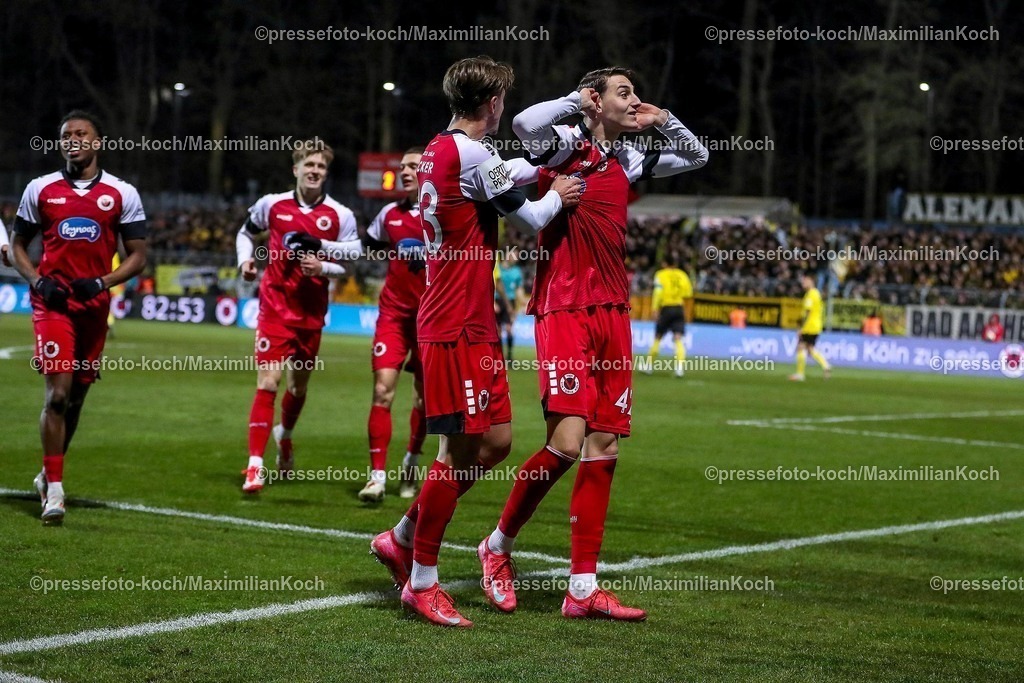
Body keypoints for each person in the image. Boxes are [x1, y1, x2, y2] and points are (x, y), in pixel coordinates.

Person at [477, 67, 708, 621]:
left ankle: (582, 589)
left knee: (604, 448)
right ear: (594, 100)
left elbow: (697, 155)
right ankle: (497, 547)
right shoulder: (562, 146)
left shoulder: (628, 159)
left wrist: (663, 119)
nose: (634, 100)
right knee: (564, 444)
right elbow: (526, 123)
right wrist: (574, 102)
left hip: (614, 314)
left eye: (635, 91)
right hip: (564, 310)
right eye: (623, 92)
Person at [365, 55, 581, 628]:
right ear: (494, 104)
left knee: (498, 442)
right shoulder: (473, 154)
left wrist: (535, 171)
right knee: (458, 453)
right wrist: (559, 189)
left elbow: (498, 175)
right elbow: (533, 218)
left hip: (473, 322)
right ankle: (422, 583)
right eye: (504, 99)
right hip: (452, 323)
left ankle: (403, 535)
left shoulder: (441, 147)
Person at [10, 110, 148, 524]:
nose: (73, 139)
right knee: (56, 394)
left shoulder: (122, 193)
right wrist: (36, 281)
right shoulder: (40, 189)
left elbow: (138, 255)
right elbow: (18, 246)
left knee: (76, 398)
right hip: (52, 305)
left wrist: (103, 282)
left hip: (94, 306)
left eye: (81, 134)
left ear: (98, 142)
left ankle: (46, 474)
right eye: (66, 135)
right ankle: (55, 491)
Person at [236, 140, 360, 494]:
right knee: (268, 383)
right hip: (274, 307)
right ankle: (254, 466)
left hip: (310, 313)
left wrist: (323, 265)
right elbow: (246, 232)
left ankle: (285, 437)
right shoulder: (272, 205)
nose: (314, 171)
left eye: (320, 166)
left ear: (326, 172)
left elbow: (351, 258)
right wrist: (245, 260)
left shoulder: (340, 215)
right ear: (296, 169)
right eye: (309, 165)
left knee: (297, 387)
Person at [359, 147, 429, 503]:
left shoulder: (445, 213)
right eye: (402, 166)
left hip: (431, 320)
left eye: (412, 166)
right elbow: (364, 247)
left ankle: (411, 463)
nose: (404, 171)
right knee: (383, 391)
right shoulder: (389, 214)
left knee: (423, 400)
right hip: (394, 316)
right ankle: (376, 478)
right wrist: (324, 252)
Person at [646, 254, 693, 377]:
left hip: (666, 308)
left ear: (664, 264)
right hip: (679, 307)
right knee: (678, 338)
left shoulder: (660, 274)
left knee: (658, 337)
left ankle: (649, 366)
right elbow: (688, 292)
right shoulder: (682, 275)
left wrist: (655, 308)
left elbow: (657, 292)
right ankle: (679, 368)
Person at [789, 273, 831, 381]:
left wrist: (801, 328)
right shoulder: (816, 293)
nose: (803, 283)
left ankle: (800, 374)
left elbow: (807, 312)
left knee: (801, 347)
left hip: (809, 326)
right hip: (816, 325)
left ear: (811, 281)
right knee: (810, 349)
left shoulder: (811, 294)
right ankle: (826, 365)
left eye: (805, 281)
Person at [494, 250, 525, 360]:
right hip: (497, 300)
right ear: (507, 255)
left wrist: (522, 303)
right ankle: (499, 355)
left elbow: (519, 289)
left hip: (510, 301)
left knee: (508, 328)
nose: (516, 258)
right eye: (514, 255)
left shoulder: (517, 271)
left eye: (517, 256)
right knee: (497, 330)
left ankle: (510, 355)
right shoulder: (498, 268)